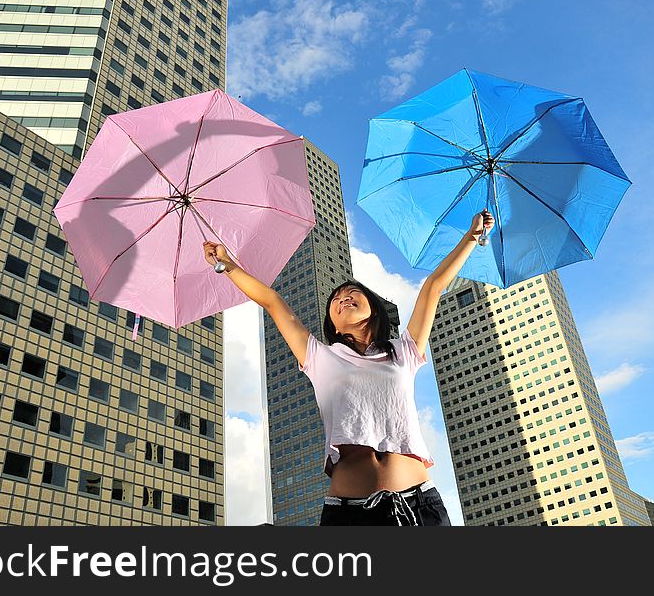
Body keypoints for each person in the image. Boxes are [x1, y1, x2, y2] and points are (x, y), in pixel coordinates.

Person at [203, 210, 495, 525]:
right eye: (335, 300)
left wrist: (471, 236)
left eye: (352, 293)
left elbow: (434, 287)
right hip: (348, 513)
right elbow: (273, 302)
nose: (343, 298)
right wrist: (227, 264)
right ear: (334, 326)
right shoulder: (320, 358)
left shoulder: (402, 352)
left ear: (374, 308)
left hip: (419, 506)